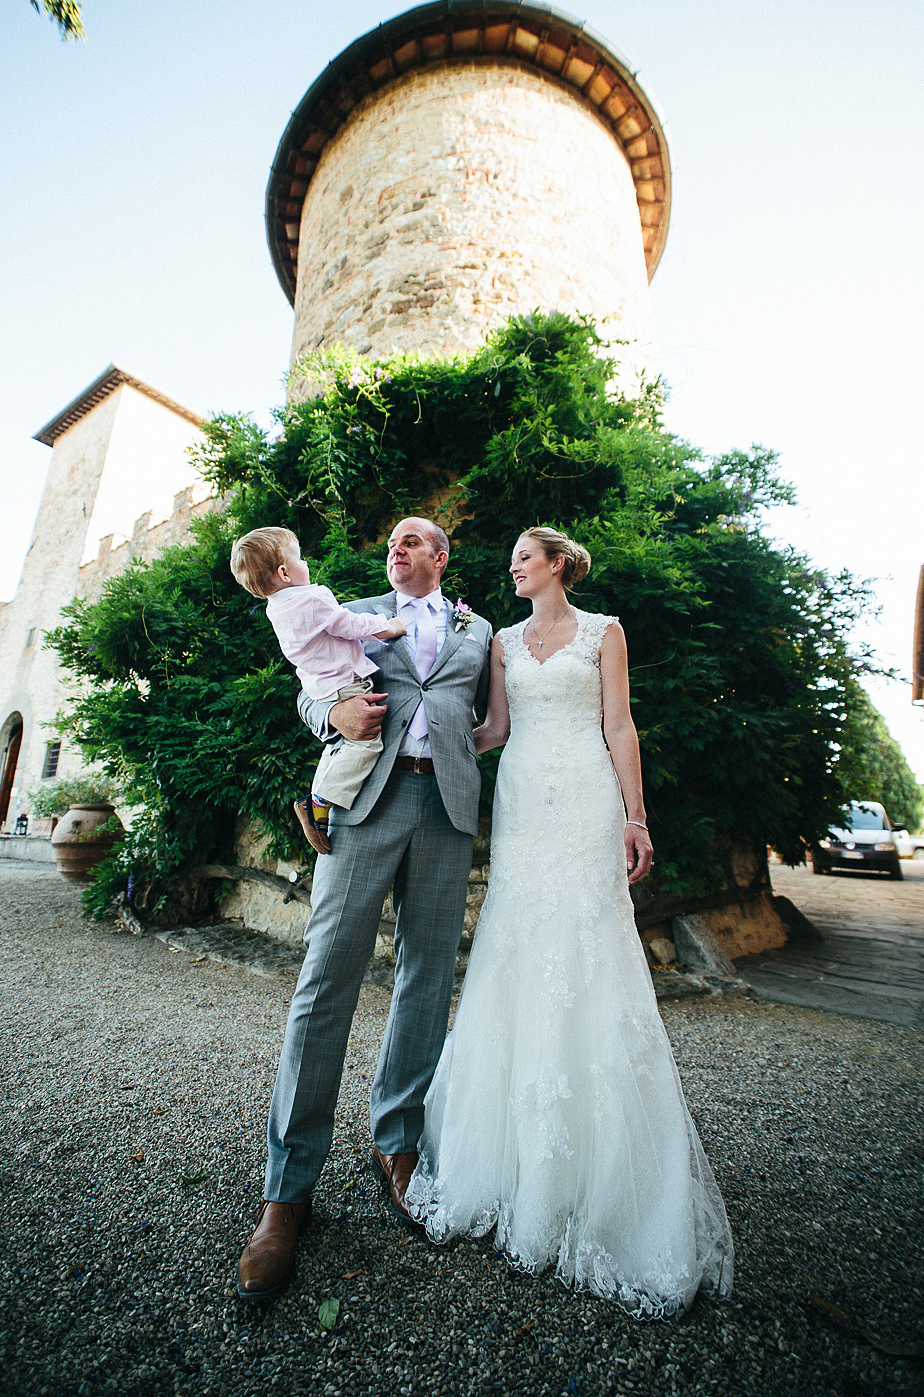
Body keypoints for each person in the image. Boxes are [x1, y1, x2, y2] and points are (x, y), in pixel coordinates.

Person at [404, 527, 734, 1317]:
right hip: (522, 803)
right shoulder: (499, 641)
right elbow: (494, 731)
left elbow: (619, 726)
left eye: (524, 556)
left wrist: (637, 817)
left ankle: (605, 1181)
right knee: (517, 950)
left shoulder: (603, 633)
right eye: (510, 558)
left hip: (586, 798)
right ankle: (509, 1164)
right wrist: (428, 735)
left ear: (558, 565)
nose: (512, 566)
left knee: (587, 950)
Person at [236, 517, 493, 1302]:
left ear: (440, 557)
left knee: (425, 979)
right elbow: (311, 693)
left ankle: (399, 1145)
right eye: (391, 542)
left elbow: (491, 717)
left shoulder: (478, 629)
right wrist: (335, 719)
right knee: (325, 980)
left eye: (413, 540)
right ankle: (287, 1192)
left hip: (447, 808)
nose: (398, 548)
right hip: (367, 803)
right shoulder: (342, 607)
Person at [230, 526, 408, 855]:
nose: (305, 561)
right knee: (366, 745)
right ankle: (320, 802)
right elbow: (350, 624)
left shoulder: (276, 608)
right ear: (284, 572)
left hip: (322, 686)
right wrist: (389, 626)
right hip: (345, 684)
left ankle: (317, 799)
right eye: (298, 556)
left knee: (338, 747)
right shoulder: (311, 599)